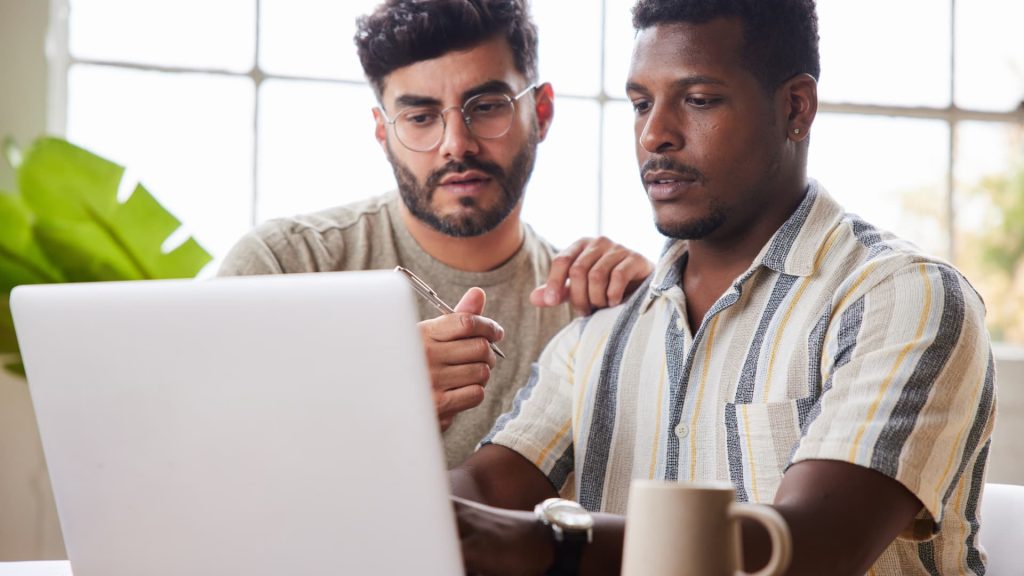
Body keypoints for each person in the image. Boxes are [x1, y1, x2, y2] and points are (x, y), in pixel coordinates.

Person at [449, 1, 996, 575]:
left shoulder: (902, 298)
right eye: (641, 104)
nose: (655, 134)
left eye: (699, 100)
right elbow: (485, 485)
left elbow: (813, 549)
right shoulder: (605, 323)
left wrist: (546, 542)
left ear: (795, 108)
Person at [218, 0, 653, 467]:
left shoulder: (591, 305)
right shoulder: (284, 267)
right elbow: (199, 460)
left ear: (541, 112)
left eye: (486, 107)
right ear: (383, 133)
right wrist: (369, 400)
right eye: (421, 117)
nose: (456, 144)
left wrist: (658, 306)